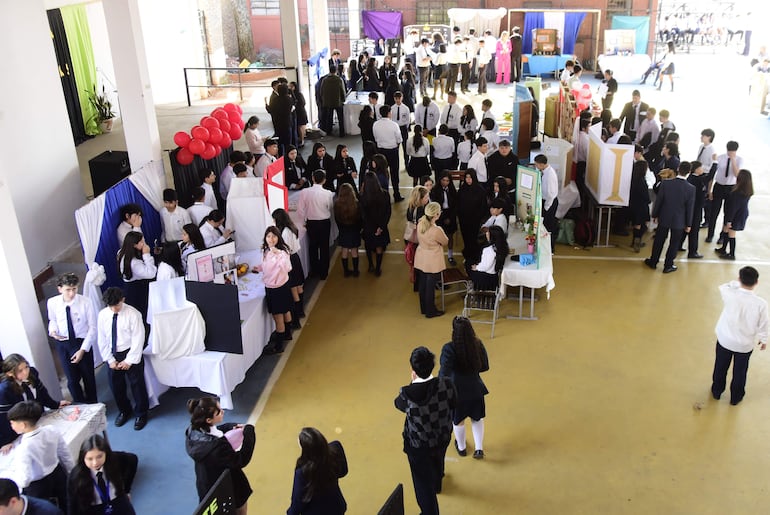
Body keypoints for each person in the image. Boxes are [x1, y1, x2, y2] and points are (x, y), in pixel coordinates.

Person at [394, 346, 456, 515]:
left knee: (422, 483)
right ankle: (438, 483)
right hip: (442, 436)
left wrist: (412, 382)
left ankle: (430, 511)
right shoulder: (447, 384)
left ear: (413, 370)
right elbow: (453, 402)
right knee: (438, 460)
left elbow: (398, 405)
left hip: (418, 445)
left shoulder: (407, 393)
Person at [185, 397, 256, 515]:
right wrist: (249, 433)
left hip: (206, 484)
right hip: (230, 486)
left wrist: (228, 427)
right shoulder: (217, 447)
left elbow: (215, 431)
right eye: (218, 412)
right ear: (208, 420)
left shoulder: (193, 432)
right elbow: (240, 460)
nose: (222, 411)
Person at [710, 266, 769, 406]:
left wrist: (735, 283)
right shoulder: (761, 304)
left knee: (720, 366)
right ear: (757, 282)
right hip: (744, 345)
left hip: (725, 340)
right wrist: (764, 339)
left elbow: (724, 286)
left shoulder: (729, 294)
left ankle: (717, 391)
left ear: (739, 279)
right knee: (740, 371)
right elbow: (764, 323)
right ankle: (736, 397)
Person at [3, 401, 74, 509]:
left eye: (12, 423)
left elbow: (24, 478)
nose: (11, 426)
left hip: (38, 485)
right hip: (57, 473)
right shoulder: (51, 430)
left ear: (23, 424)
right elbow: (65, 454)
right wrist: (71, 472)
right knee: (66, 503)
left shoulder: (24, 448)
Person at [96, 287, 150, 430]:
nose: (114, 309)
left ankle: (141, 412)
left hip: (130, 352)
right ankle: (124, 410)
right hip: (113, 354)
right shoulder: (103, 315)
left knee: (137, 385)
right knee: (116, 386)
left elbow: (138, 338)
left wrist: (129, 360)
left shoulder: (133, 314)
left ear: (123, 300)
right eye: (111, 306)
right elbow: (102, 339)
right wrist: (109, 359)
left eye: (117, 305)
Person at [440, 316, 490, 459]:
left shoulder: (449, 348)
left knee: (458, 420)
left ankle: (461, 448)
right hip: (476, 389)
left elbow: (444, 372)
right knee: (477, 418)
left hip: (457, 393)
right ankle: (479, 449)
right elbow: (485, 367)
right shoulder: (478, 344)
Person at [46, 272, 98, 405]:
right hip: (63, 343)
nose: (71, 293)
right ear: (60, 289)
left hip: (82, 342)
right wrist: (52, 330)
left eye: (74, 289)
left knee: (88, 377)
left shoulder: (85, 302)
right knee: (72, 379)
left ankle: (93, 404)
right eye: (68, 290)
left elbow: (92, 327)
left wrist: (83, 350)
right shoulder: (52, 303)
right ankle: (80, 405)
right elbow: (53, 320)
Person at [0, 355, 66, 449]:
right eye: (20, 371)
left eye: (26, 367)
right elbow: (2, 419)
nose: (26, 372)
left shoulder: (33, 372)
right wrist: (5, 441)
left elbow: (42, 393)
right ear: (10, 373)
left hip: (37, 418)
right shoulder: (4, 390)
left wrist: (55, 404)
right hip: (19, 429)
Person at [67, 434, 138, 515]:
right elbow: (72, 504)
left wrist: (127, 490)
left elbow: (133, 459)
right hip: (93, 509)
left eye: (99, 456)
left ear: (106, 453)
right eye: (90, 459)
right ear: (83, 458)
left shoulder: (115, 460)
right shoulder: (76, 475)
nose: (95, 463)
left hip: (117, 501)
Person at [644, 164, 695, 274]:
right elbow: (689, 208)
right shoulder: (691, 188)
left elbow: (659, 201)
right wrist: (689, 224)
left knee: (659, 240)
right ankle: (668, 265)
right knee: (674, 243)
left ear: (678, 169)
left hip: (664, 217)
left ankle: (653, 261)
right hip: (679, 220)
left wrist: (655, 215)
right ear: (689, 172)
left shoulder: (666, 184)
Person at [287, 427, 348, 515]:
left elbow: (298, 501)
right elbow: (343, 471)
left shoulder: (303, 472)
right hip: (336, 506)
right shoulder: (335, 448)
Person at [253, 226, 294, 353]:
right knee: (285, 310)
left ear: (278, 237)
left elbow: (287, 268)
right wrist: (259, 268)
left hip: (277, 288)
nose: (271, 239)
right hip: (273, 286)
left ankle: (279, 346)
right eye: (268, 236)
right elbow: (267, 265)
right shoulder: (266, 250)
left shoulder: (282, 252)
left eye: (274, 236)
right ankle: (287, 334)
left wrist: (278, 255)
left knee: (278, 317)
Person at [297, 170, 335, 280]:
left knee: (312, 247)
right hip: (324, 222)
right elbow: (330, 207)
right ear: (324, 180)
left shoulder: (305, 192)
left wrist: (303, 222)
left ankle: (314, 270)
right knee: (324, 248)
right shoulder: (328, 193)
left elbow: (300, 210)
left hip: (311, 223)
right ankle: (324, 273)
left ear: (312, 178)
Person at [414, 202, 448, 318]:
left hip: (421, 256)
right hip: (433, 259)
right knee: (430, 286)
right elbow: (445, 242)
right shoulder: (436, 230)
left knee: (422, 284)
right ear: (437, 214)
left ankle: (423, 308)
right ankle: (431, 311)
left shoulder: (420, 224)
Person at [706, 141, 743, 244]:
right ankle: (710, 235)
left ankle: (722, 235)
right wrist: (710, 190)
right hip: (719, 186)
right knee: (714, 212)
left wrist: (733, 160)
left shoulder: (739, 160)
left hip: (731, 188)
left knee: (728, 213)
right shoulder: (720, 158)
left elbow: (737, 175)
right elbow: (712, 174)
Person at [116, 231, 156, 319]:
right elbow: (151, 273)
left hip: (129, 287)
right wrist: (147, 255)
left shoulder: (121, 252)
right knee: (141, 313)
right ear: (134, 245)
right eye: (141, 242)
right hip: (137, 290)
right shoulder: (134, 263)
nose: (144, 244)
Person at [715, 169, 753, 260]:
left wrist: (729, 220)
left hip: (735, 216)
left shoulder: (737, 193)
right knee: (726, 230)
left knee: (731, 233)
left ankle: (732, 254)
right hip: (740, 213)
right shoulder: (747, 190)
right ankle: (723, 249)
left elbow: (733, 208)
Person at [359, 172, 391, 276]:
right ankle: (378, 268)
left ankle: (370, 265)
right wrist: (381, 227)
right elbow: (388, 212)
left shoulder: (363, 197)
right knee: (379, 247)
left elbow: (362, 215)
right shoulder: (385, 194)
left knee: (368, 246)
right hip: (381, 226)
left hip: (368, 227)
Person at [372, 105, 404, 202]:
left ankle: (383, 194)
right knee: (394, 173)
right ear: (389, 113)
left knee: (382, 173)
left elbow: (376, 138)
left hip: (381, 151)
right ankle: (396, 194)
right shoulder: (394, 125)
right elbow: (399, 139)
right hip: (392, 151)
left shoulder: (376, 124)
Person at [457, 169, 488, 262]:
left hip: (475, 221)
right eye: (466, 177)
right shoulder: (462, 189)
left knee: (474, 239)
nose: (468, 180)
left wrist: (477, 217)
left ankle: (474, 256)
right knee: (466, 238)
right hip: (464, 220)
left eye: (470, 177)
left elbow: (483, 206)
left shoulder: (480, 190)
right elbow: (458, 204)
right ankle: (467, 255)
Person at [333, 183, 362, 279]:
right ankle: (356, 271)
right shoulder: (356, 203)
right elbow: (359, 219)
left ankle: (346, 271)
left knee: (344, 250)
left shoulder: (337, 204)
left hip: (343, 230)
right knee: (354, 250)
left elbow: (336, 218)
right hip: (354, 230)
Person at [679, 161, 707, 258]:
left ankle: (679, 245)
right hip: (696, 209)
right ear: (696, 169)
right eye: (701, 167)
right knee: (694, 231)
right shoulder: (698, 181)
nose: (702, 169)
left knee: (686, 228)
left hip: (689, 209)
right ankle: (693, 252)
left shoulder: (690, 179)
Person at [469, 225, 507, 291]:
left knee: (468, 263)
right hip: (494, 276)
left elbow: (485, 266)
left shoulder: (489, 250)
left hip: (486, 278)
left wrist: (477, 267)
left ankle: (472, 287)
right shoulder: (502, 247)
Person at [534, 155, 559, 253]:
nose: (536, 167)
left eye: (536, 165)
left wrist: (546, 207)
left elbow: (551, 194)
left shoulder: (550, 175)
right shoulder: (544, 172)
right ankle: (544, 246)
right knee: (544, 225)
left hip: (550, 203)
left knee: (549, 226)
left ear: (541, 164)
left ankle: (550, 248)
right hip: (545, 201)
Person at [432, 172, 459, 265]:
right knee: (438, 237)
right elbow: (435, 206)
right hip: (439, 215)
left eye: (447, 180)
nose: (445, 182)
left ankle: (450, 256)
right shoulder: (435, 190)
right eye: (443, 180)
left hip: (450, 214)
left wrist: (450, 217)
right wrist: (442, 217)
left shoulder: (452, 189)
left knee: (450, 236)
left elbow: (455, 204)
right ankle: (437, 256)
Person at [629, 160, 652, 253]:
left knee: (636, 224)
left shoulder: (633, 179)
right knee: (642, 226)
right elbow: (645, 196)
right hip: (641, 206)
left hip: (633, 205)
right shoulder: (642, 181)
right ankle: (637, 242)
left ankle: (634, 241)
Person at [319, 65, 346, 137]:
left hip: (328, 102)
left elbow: (321, 91)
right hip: (338, 101)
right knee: (340, 118)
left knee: (329, 117)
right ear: (336, 71)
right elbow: (342, 91)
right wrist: (343, 99)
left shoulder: (325, 80)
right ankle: (342, 133)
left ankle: (329, 131)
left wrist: (323, 99)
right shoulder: (339, 79)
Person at [392, 92, 412, 170]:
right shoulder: (392, 108)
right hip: (395, 129)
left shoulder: (406, 108)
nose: (397, 100)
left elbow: (408, 119)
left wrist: (405, 128)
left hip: (403, 128)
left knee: (405, 147)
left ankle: (407, 164)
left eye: (399, 98)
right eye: (396, 98)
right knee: (395, 147)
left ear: (402, 98)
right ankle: (395, 165)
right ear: (394, 99)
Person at [289, 81, 308, 147]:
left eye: (291, 86)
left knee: (301, 127)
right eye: (289, 86)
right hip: (296, 113)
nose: (290, 87)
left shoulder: (298, 94)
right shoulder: (291, 94)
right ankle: (300, 139)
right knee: (298, 127)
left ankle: (302, 140)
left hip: (301, 112)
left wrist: (295, 106)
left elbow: (303, 103)